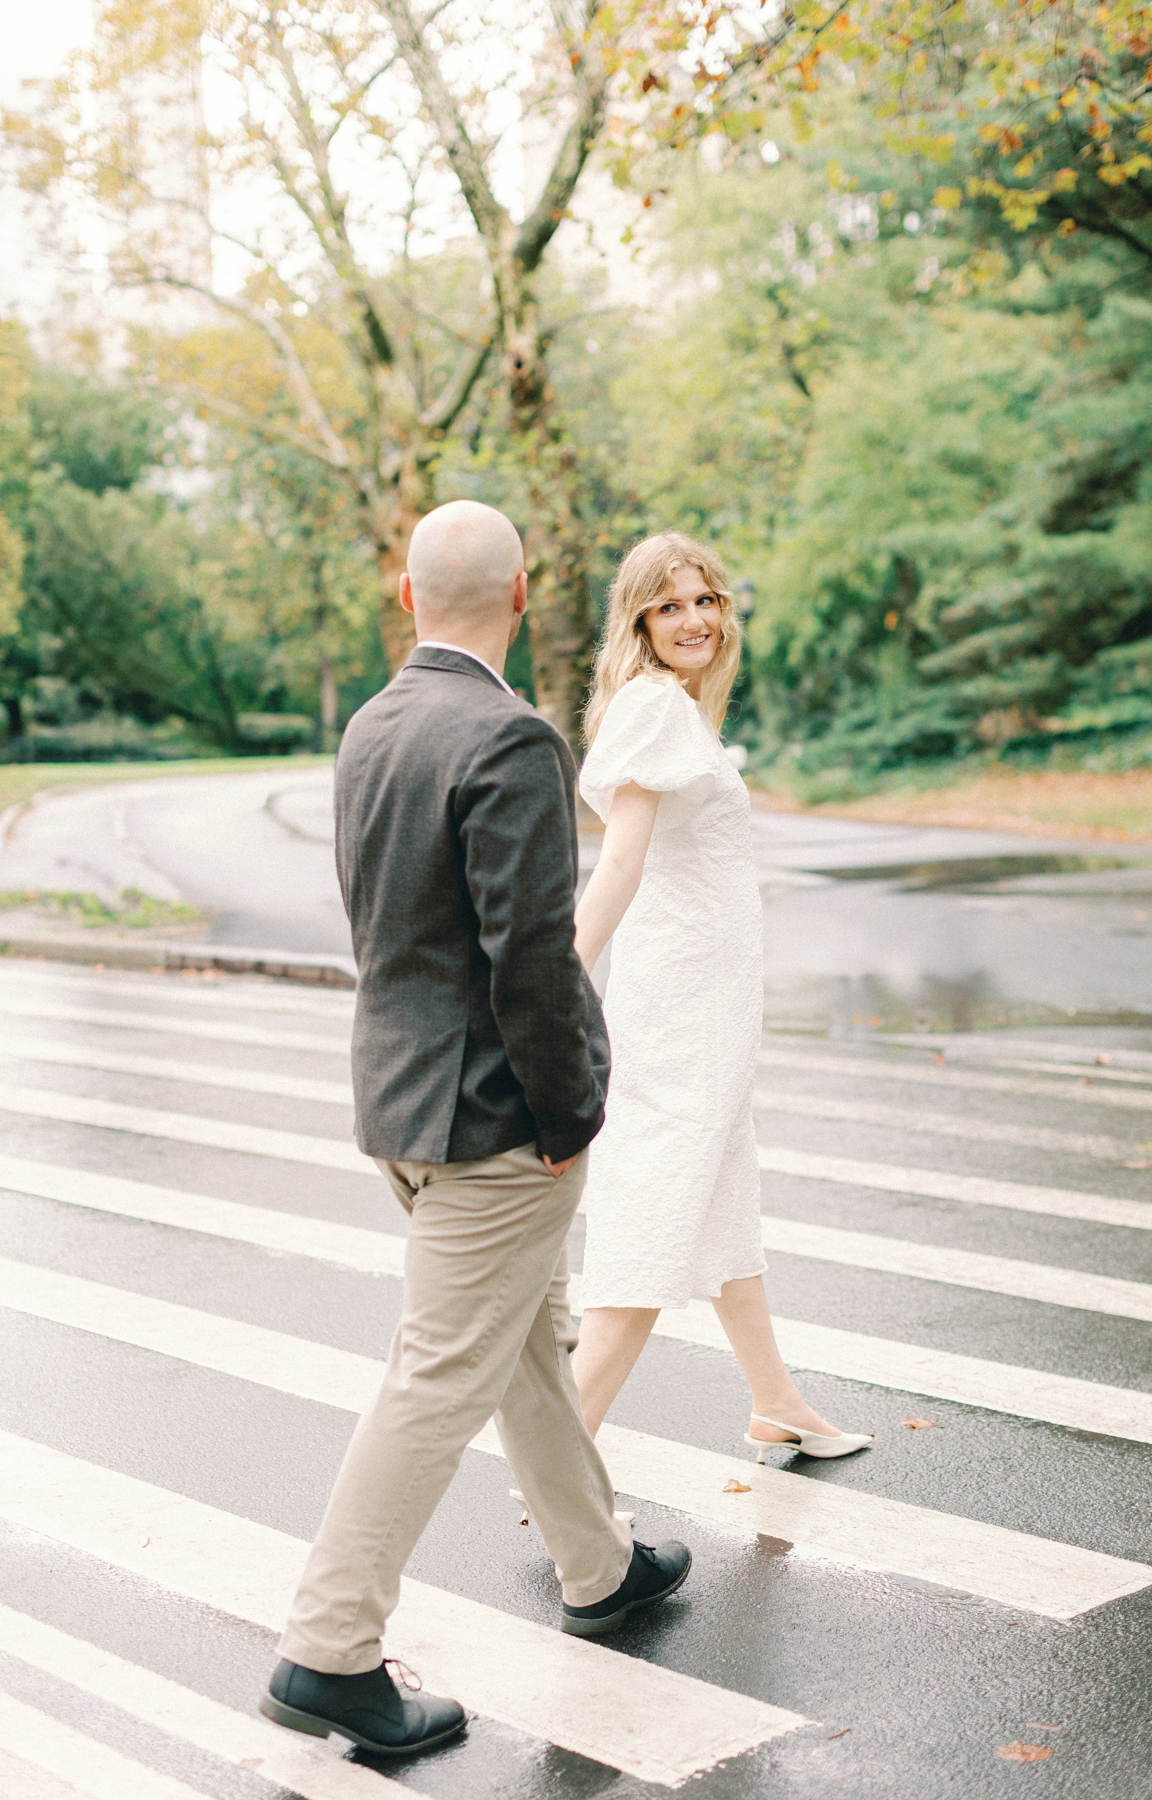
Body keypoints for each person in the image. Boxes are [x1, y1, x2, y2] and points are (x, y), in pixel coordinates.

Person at [260, 502, 690, 1761]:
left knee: (522, 1347)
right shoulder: (510, 738)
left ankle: (598, 1565)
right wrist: (574, 1114)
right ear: (520, 596)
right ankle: (329, 1649)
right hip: (497, 1121)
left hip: (397, 1103)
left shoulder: (372, 724)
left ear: (406, 597)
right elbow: (533, 965)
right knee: (441, 1372)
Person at [569, 531, 873, 1463]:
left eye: (705, 601)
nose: (694, 620)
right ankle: (562, 1456)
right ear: (640, 623)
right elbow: (619, 859)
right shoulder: (657, 707)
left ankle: (774, 1399)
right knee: (654, 1218)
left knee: (720, 1196)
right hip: (682, 1009)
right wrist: (561, 979)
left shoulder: (675, 710)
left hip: (710, 999)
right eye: (670, 607)